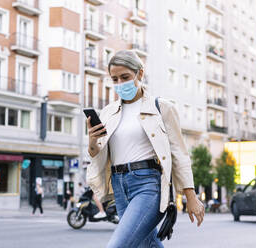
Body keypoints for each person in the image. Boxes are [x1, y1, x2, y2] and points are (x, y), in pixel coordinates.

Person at [86, 50, 205, 248]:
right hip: (119, 185)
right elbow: (95, 152)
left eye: (125, 77)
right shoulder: (108, 112)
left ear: (140, 74)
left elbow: (179, 154)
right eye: (115, 79)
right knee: (146, 244)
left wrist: (190, 197)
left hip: (148, 185)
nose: (120, 83)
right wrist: (92, 140)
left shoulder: (162, 108)